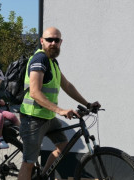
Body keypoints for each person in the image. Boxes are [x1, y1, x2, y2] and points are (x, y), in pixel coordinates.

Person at [18, 27, 101, 179]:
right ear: (42, 41)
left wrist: (87, 104)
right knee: (28, 162)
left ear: (61, 42)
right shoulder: (40, 59)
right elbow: (35, 92)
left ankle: (42, 176)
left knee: (63, 146)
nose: (53, 43)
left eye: (57, 40)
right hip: (33, 118)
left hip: (47, 117)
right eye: (50, 39)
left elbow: (67, 85)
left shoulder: (52, 62)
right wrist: (60, 110)